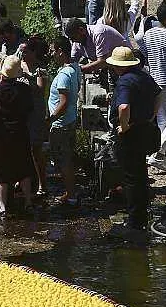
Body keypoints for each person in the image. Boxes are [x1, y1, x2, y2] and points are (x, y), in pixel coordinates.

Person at [106, 47, 161, 232]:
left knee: (131, 178)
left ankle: (134, 220)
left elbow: (123, 107)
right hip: (144, 128)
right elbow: (158, 94)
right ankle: (141, 214)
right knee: (140, 174)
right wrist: (152, 116)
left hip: (130, 134)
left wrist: (124, 126)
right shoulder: (144, 76)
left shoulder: (124, 81)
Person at [0, 56, 36, 217]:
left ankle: (3, 208)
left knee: (0, 172)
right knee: (24, 167)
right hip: (20, 133)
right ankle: (28, 202)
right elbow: (30, 108)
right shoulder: (24, 90)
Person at [136, 2, 166, 173]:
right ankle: (158, 154)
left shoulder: (149, 33)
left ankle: (160, 155)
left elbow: (142, 49)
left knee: (163, 119)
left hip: (154, 80)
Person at [47, 36, 81, 204]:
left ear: (61, 51)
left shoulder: (64, 75)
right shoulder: (75, 68)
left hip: (61, 124)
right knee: (66, 158)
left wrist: (50, 119)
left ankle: (71, 194)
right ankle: (70, 191)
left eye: (53, 51)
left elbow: (64, 102)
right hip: (70, 120)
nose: (51, 54)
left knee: (63, 160)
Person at [20, 36, 51, 196]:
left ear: (33, 52)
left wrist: (27, 78)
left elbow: (40, 90)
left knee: (35, 149)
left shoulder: (41, 68)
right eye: (22, 52)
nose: (23, 55)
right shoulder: (18, 64)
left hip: (36, 111)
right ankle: (22, 180)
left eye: (26, 52)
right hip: (21, 110)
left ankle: (42, 184)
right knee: (20, 147)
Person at [65, 17, 127, 82]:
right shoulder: (77, 42)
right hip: (109, 66)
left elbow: (102, 61)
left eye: (73, 37)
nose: (73, 41)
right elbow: (73, 61)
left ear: (81, 30)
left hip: (123, 64)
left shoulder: (99, 33)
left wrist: (79, 69)